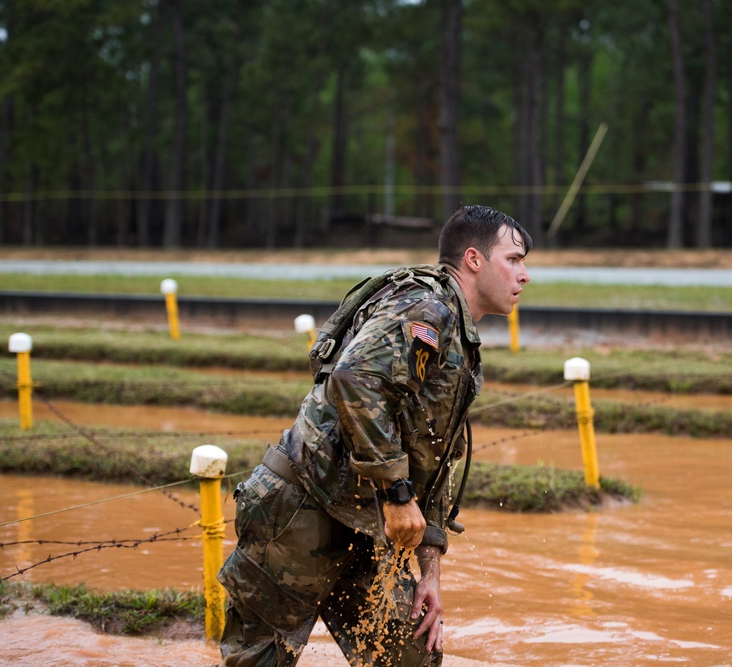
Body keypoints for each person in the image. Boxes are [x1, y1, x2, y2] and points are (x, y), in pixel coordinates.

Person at [217, 205, 532, 667]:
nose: (525, 275)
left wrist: (430, 570)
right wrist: (398, 495)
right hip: (301, 511)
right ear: (473, 259)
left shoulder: (456, 330)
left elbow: (433, 454)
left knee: (412, 657)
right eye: (515, 259)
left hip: (364, 524)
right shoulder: (429, 307)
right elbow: (354, 380)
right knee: (260, 662)